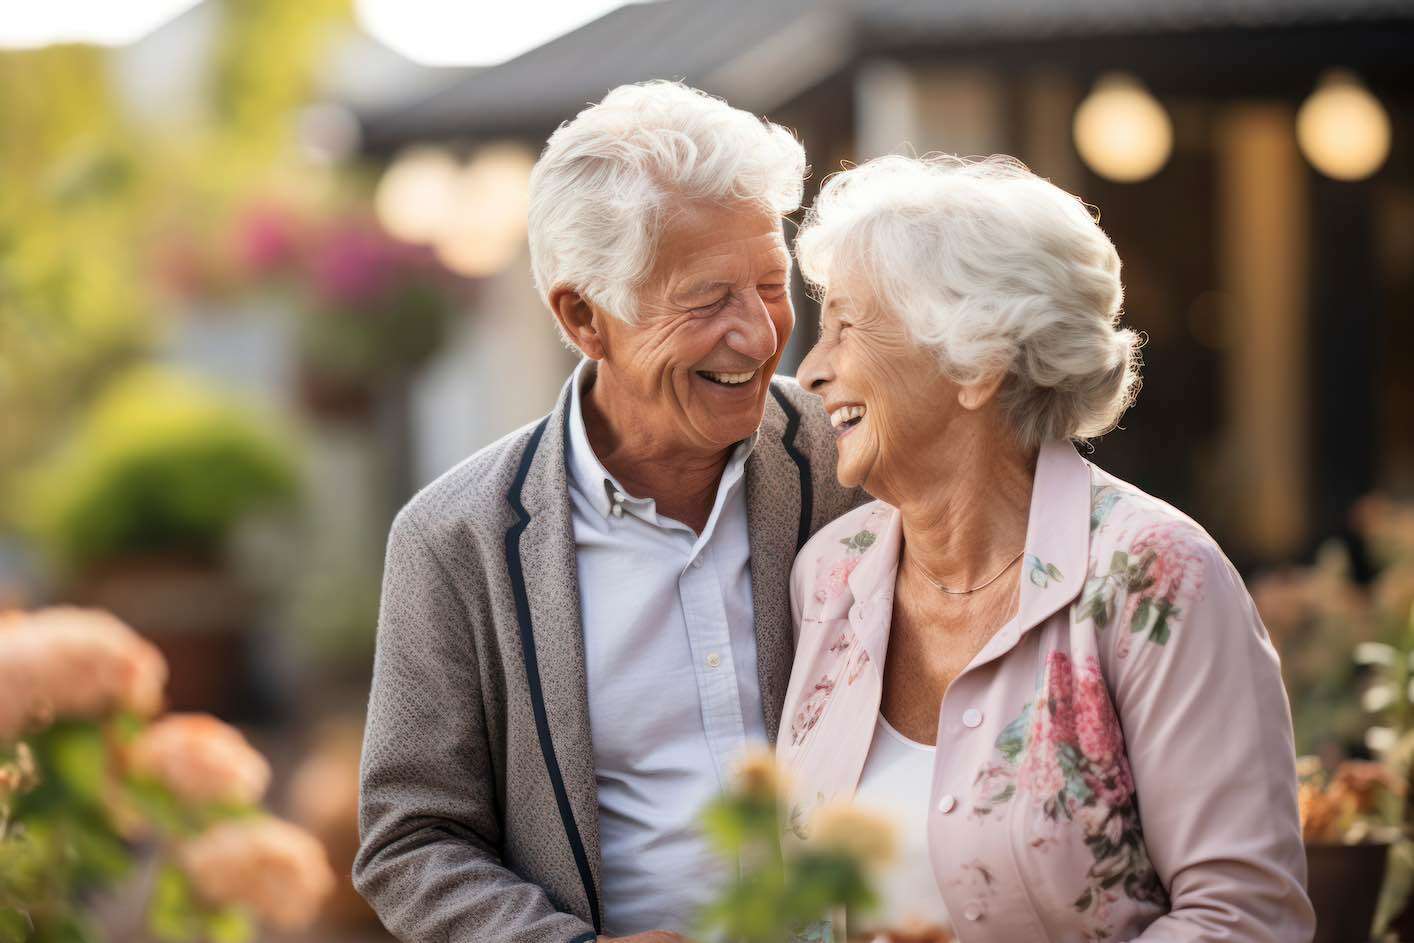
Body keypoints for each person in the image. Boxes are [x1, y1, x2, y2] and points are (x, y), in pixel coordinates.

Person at [354, 81, 863, 943]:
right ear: (585, 316)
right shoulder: (456, 539)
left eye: (771, 286)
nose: (759, 334)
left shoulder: (854, 456)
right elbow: (411, 838)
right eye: (707, 300)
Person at [777, 154, 1315, 942]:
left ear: (978, 362)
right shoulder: (830, 575)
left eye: (847, 328)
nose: (812, 371)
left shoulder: (1154, 574)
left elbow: (1244, 917)